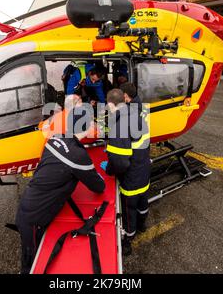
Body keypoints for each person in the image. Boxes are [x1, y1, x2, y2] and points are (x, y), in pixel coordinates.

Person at [15, 107, 106, 274]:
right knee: (32, 264)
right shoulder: (78, 157)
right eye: (92, 122)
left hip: (28, 206)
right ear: (85, 128)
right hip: (35, 219)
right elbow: (99, 187)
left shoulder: (56, 138)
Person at [101, 87, 150, 256]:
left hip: (132, 179)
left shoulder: (120, 125)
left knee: (129, 211)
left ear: (110, 105)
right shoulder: (136, 114)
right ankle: (143, 225)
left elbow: (120, 163)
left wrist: (108, 169)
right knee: (143, 203)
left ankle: (128, 238)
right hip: (144, 171)